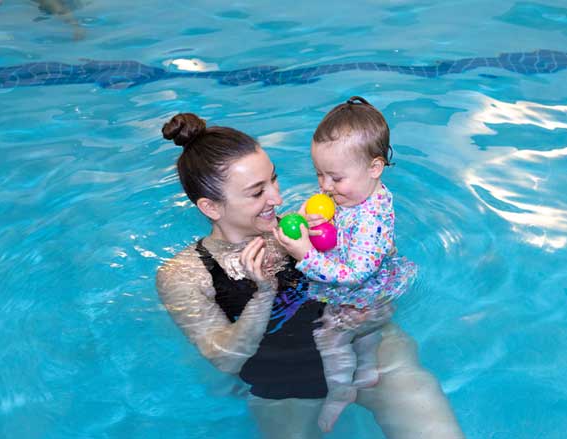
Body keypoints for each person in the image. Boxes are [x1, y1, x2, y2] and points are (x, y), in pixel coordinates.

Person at [155, 112, 465, 439]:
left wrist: (378, 304)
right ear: (211, 207)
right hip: (284, 388)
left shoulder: (301, 227)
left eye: (274, 179)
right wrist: (262, 294)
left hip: (370, 354)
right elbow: (225, 360)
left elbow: (371, 267)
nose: (276, 198)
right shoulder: (186, 273)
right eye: (257, 192)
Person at [273, 96, 415, 433]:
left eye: (335, 178)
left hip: (356, 291)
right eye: (319, 175)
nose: (325, 186)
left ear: (374, 168)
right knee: (366, 335)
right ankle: (366, 370)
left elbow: (352, 275)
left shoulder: (369, 218)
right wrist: (318, 218)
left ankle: (340, 390)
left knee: (330, 339)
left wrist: (304, 253)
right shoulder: (365, 191)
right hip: (378, 288)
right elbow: (342, 230)